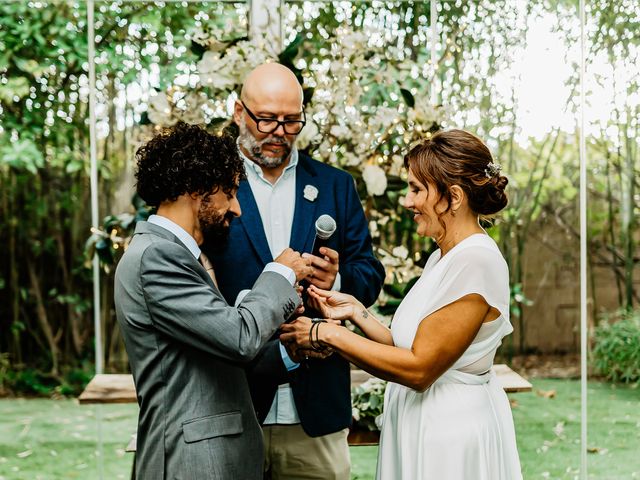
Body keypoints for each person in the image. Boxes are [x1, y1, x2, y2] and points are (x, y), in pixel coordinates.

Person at [281, 129, 523, 479]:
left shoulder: (476, 261)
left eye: (417, 189)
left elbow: (419, 368)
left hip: (449, 434)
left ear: (453, 197)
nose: (407, 202)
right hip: (424, 421)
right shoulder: (444, 257)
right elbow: (410, 345)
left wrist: (325, 334)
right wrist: (355, 312)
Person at [204, 63, 385, 479]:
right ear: (238, 112)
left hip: (316, 407)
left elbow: (370, 274)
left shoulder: (336, 185)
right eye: (267, 118)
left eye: (291, 121)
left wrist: (336, 281)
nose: (279, 131)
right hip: (233, 402)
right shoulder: (210, 184)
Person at [114, 122, 314, 480]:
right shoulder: (156, 258)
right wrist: (280, 273)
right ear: (197, 189)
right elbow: (238, 338)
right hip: (191, 464)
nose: (236, 208)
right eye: (230, 192)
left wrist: (290, 350)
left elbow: (212, 358)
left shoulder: (176, 256)